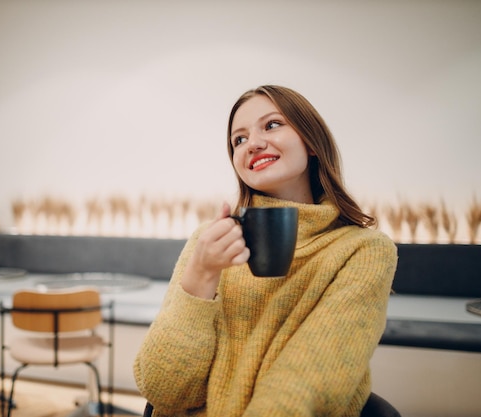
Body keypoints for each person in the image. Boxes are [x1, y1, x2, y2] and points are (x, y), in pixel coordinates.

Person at [133, 85, 398, 416]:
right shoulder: (209, 243)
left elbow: (306, 384)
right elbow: (165, 390)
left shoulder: (364, 250)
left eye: (272, 125)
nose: (253, 144)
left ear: (312, 142)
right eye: (238, 140)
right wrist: (201, 275)